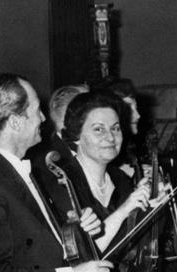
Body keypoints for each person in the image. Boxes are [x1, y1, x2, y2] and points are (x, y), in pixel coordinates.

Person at [0, 73, 112, 272]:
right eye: (37, 110)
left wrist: (75, 229)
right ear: (16, 122)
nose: (43, 119)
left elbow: (37, 244)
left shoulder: (13, 168)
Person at [37, 91, 153, 253]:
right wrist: (125, 209)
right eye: (99, 129)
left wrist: (152, 205)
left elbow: (134, 248)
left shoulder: (121, 180)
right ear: (76, 136)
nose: (111, 137)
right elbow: (78, 255)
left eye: (116, 128)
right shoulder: (60, 184)